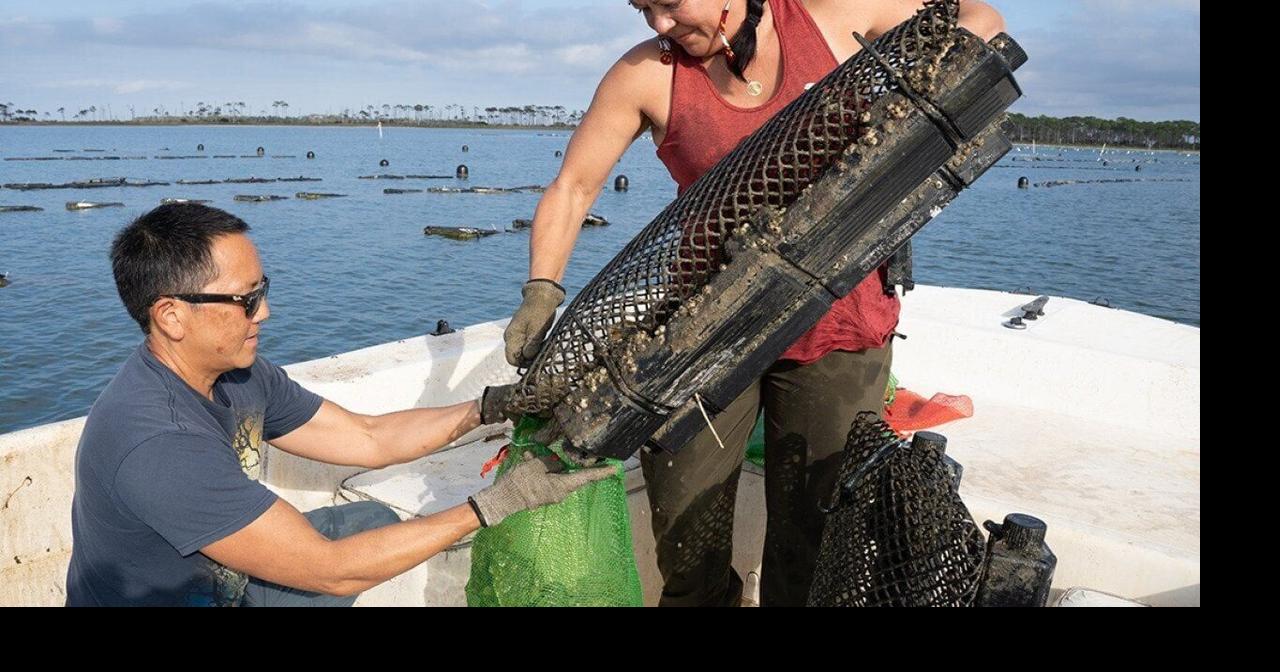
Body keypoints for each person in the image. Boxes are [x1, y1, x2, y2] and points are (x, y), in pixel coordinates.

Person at [502, 0, 1006, 606]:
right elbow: (573, 185)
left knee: (817, 539)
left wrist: (930, 69)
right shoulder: (647, 74)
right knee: (687, 541)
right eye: (644, 8)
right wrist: (541, 290)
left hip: (839, 323)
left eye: (668, 3)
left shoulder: (826, 18)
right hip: (703, 331)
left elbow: (980, 15)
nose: (659, 24)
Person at [66, 203, 611, 606]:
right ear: (170, 316)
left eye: (264, 289)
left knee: (369, 518)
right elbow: (330, 571)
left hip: (222, 581)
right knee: (341, 561)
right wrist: (491, 506)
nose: (265, 313)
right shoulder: (158, 442)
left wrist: (493, 407)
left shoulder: (239, 373)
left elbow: (366, 438)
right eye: (245, 300)